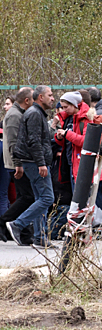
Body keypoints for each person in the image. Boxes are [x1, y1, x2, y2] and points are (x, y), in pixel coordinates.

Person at [7, 85, 56, 248]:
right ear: (40, 97)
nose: (53, 98)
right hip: (35, 162)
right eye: (50, 95)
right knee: (47, 198)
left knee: (40, 198)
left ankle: (40, 236)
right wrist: (41, 163)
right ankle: (17, 224)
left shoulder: (35, 113)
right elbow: (33, 140)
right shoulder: (34, 114)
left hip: (32, 162)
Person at [55, 92, 102, 208]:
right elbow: (67, 143)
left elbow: (86, 142)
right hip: (73, 167)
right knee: (79, 206)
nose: (64, 110)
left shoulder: (86, 118)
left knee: (93, 205)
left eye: (66, 107)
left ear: (74, 105)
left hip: (86, 168)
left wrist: (67, 134)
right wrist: (59, 138)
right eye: (62, 107)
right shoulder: (68, 118)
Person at [0, 88, 34, 244]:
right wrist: (18, 164)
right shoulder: (14, 115)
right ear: (26, 100)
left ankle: (24, 232)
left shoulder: (17, 113)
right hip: (17, 163)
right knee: (27, 197)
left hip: (18, 161)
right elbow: (14, 142)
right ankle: (4, 222)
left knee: (24, 196)